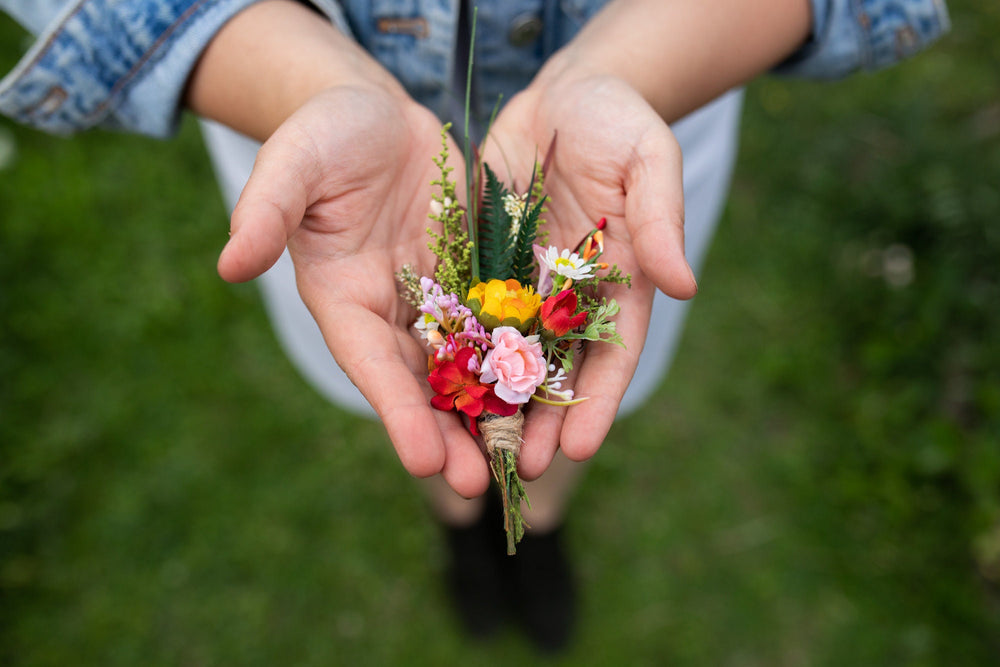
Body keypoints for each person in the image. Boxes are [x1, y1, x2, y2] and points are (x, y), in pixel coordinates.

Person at [0, 0, 950, 652]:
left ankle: (536, 529)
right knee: (399, 384)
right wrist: (305, 84)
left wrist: (619, 68)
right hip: (333, 165)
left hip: (631, 129)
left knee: (573, 401)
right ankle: (465, 525)